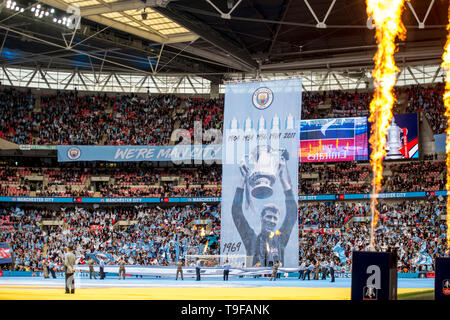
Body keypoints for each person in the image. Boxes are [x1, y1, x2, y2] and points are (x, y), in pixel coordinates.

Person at [232, 152, 297, 267]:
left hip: (277, 281)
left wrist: (281, 176)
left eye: (274, 218)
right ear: (261, 218)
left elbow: (292, 212)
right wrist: (243, 178)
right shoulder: (251, 238)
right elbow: (236, 212)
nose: (271, 220)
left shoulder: (281, 238)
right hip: (256, 280)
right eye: (269, 216)